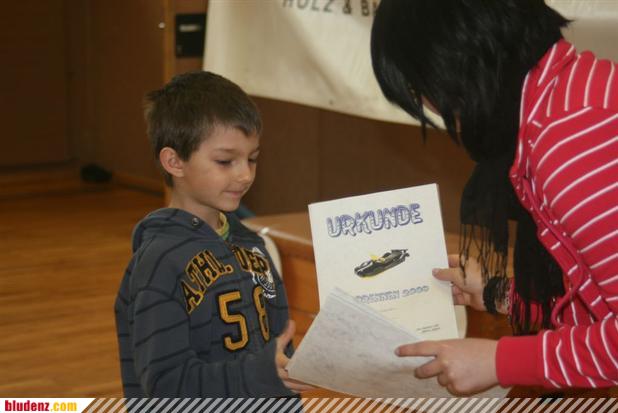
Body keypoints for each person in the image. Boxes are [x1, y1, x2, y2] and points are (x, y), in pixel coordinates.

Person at [371, 0, 618, 395]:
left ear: (451, 63)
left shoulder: (571, 138)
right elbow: (598, 302)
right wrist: (502, 295)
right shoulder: (564, 99)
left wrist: (499, 361)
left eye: (420, 89)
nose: (431, 107)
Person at [114, 71, 312, 397]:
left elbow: (277, 353)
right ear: (174, 162)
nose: (245, 174)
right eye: (225, 161)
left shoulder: (254, 246)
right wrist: (258, 373)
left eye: (252, 159)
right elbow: (165, 385)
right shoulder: (159, 263)